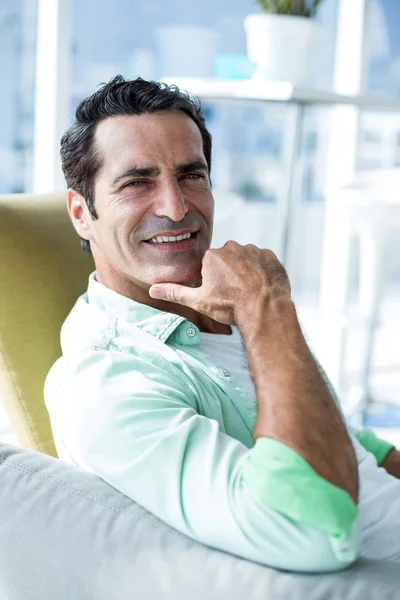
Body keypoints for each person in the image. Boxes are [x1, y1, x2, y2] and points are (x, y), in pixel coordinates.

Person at [45, 76, 400, 573]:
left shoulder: (225, 308)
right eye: (137, 182)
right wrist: (268, 307)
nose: (175, 206)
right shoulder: (104, 379)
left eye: (192, 175)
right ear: (82, 213)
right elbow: (310, 532)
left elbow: (345, 434)